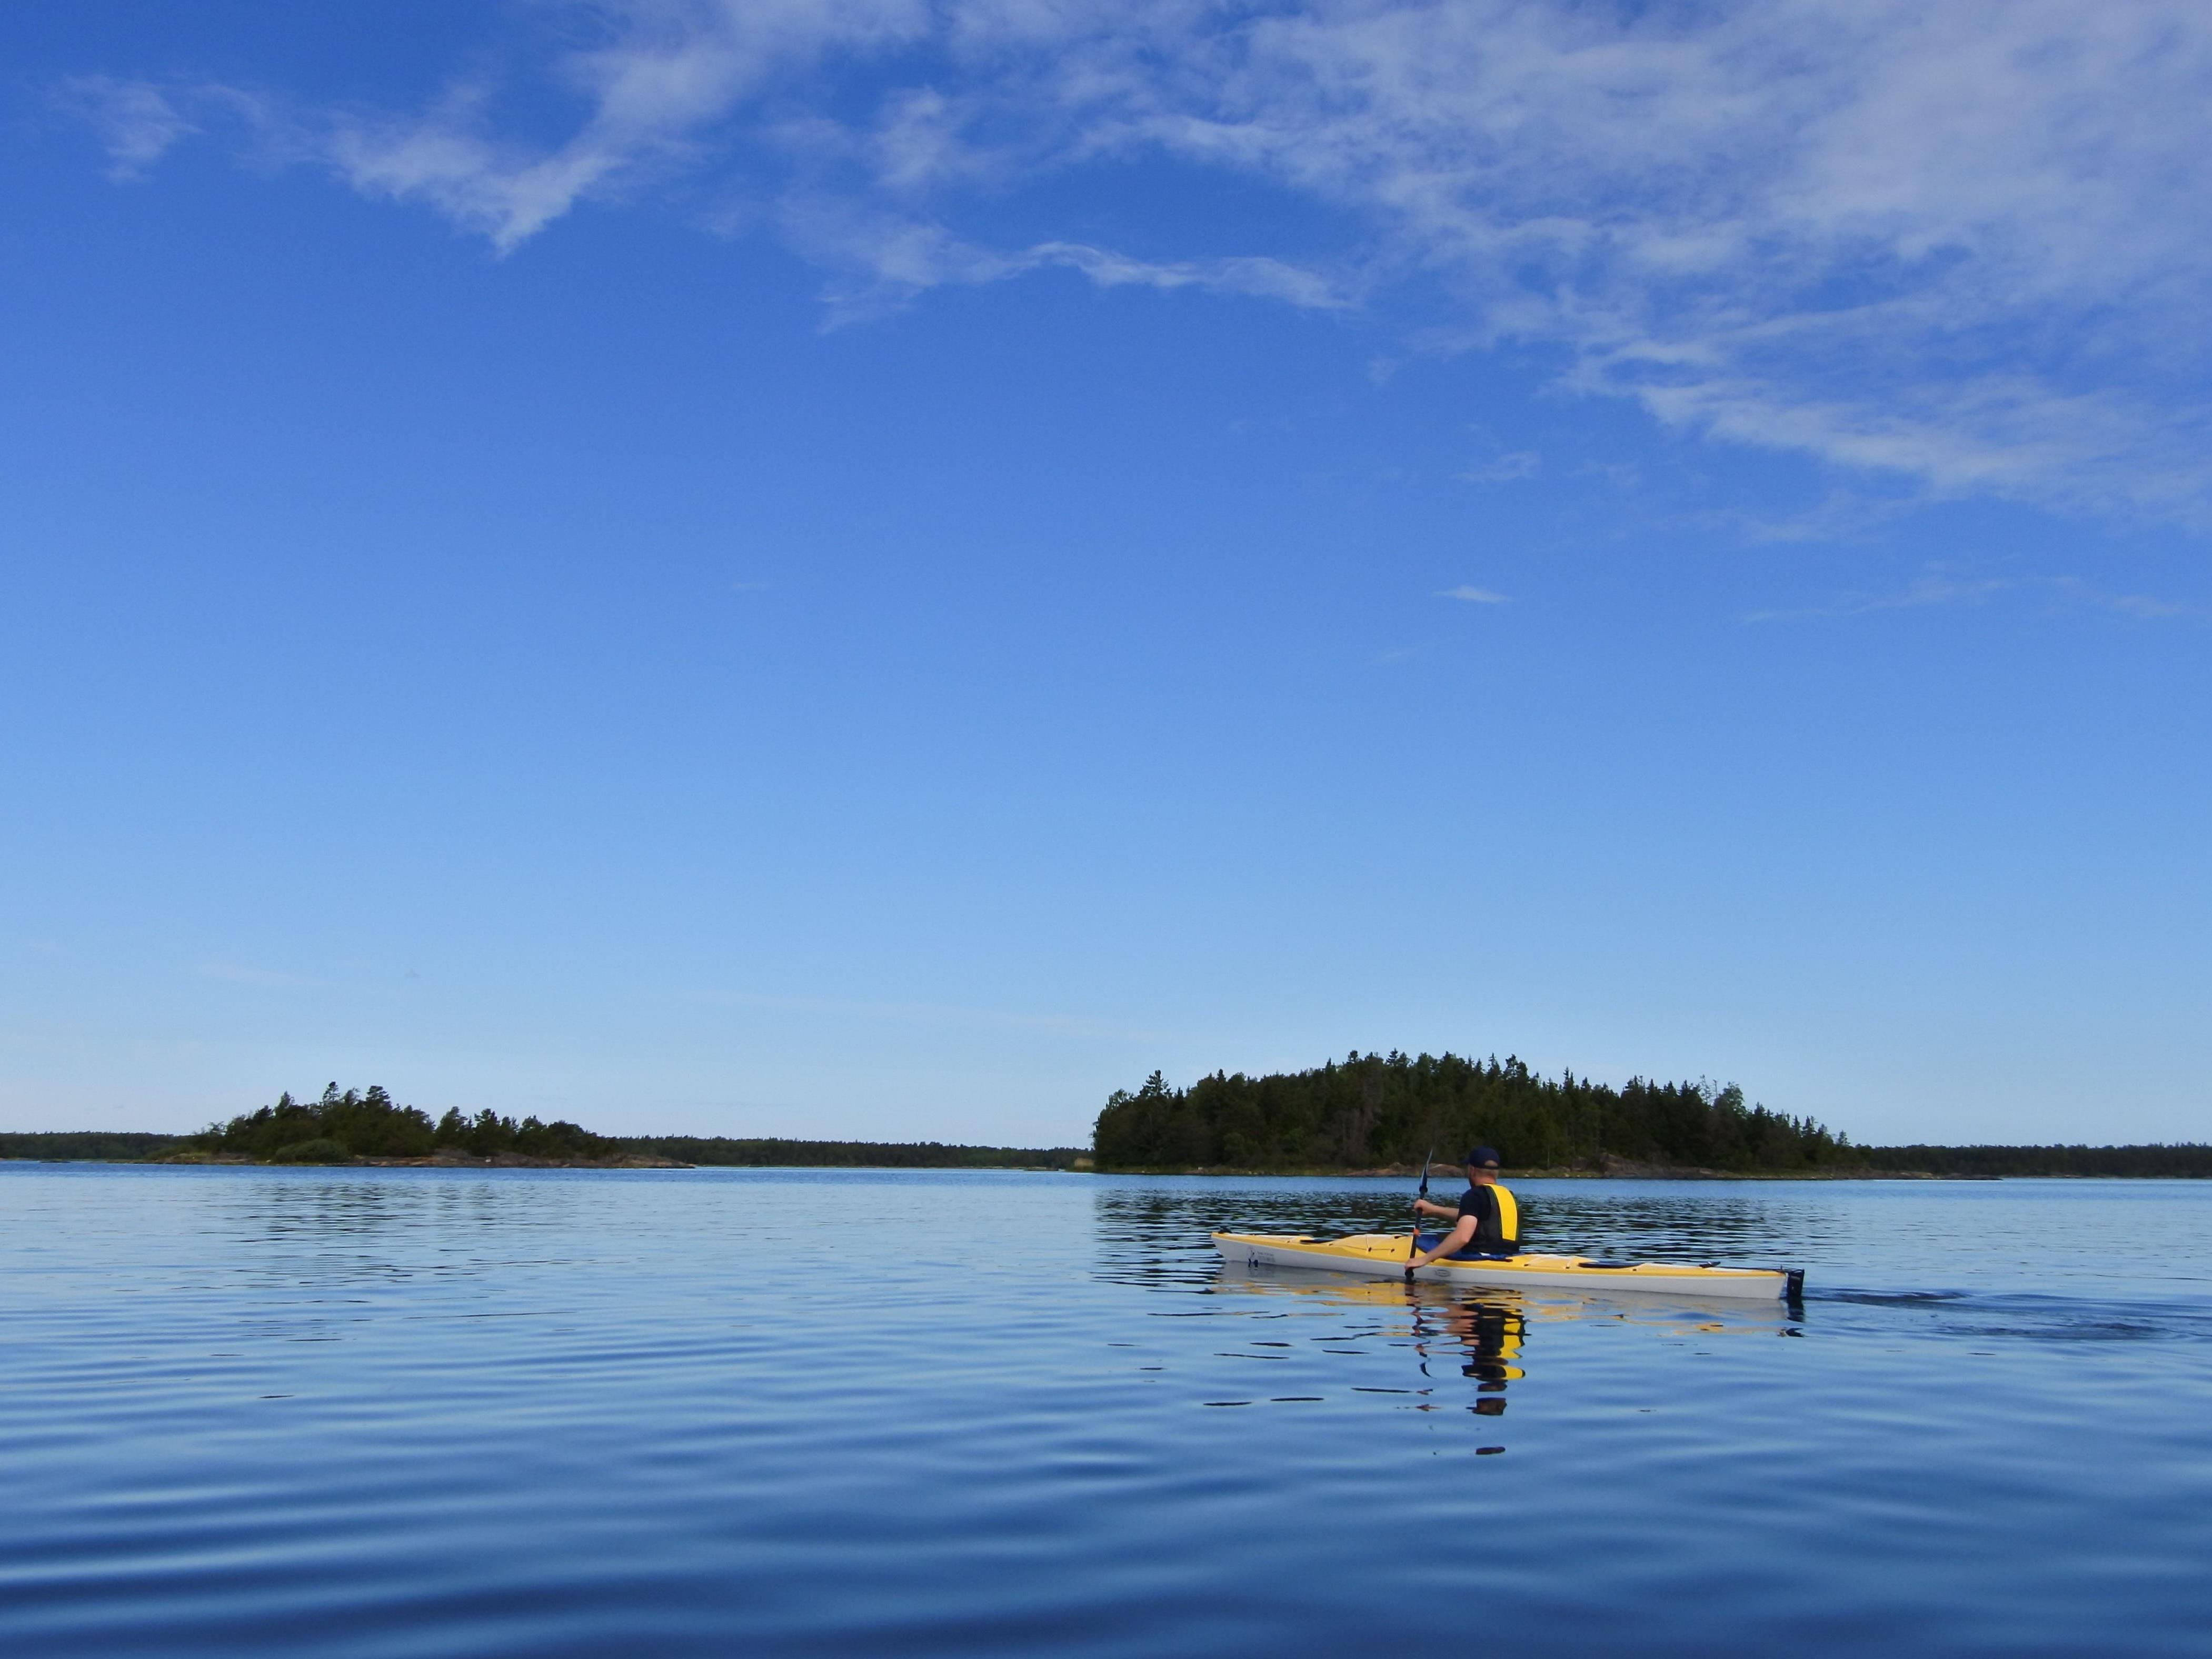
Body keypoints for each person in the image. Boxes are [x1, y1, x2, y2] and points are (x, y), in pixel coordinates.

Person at [1406, 1147, 1519, 1275]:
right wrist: (1433, 1209)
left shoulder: (1474, 1195)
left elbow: (1463, 1238)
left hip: (1479, 1256)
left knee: (1428, 1241)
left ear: (1472, 1170)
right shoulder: (1508, 1195)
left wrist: (1424, 1260)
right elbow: (1475, 1217)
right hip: (1510, 1256)